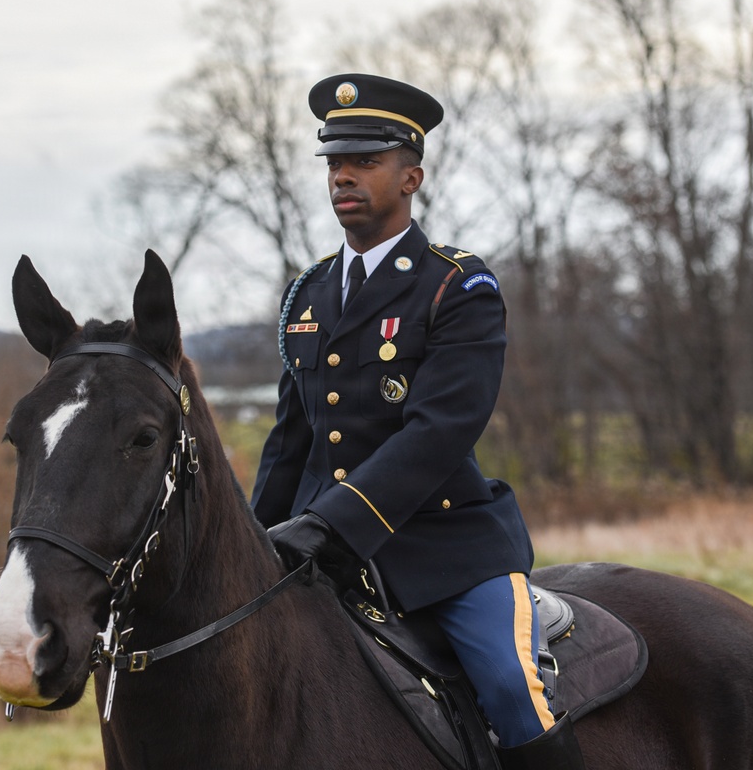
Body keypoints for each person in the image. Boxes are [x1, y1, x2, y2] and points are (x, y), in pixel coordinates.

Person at [251, 73, 585, 769]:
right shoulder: (307, 293)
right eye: (335, 164)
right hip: (314, 550)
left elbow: (441, 431)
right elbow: (290, 442)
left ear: (411, 177)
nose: (343, 176)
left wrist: (333, 522)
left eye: (364, 162)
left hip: (440, 547)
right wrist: (255, 545)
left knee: (509, 686)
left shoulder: (457, 285)